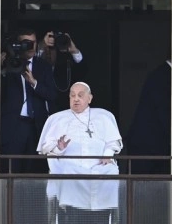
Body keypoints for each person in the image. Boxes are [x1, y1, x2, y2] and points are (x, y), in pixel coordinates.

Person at [37, 82, 123, 210]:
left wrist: (107, 155)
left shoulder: (103, 116)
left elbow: (113, 142)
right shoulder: (57, 119)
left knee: (111, 171)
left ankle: (104, 216)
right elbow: (45, 147)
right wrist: (59, 148)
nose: (76, 99)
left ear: (89, 98)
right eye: (72, 96)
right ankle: (70, 213)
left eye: (80, 95)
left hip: (99, 166)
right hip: (71, 168)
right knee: (66, 172)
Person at [0, 28, 57, 174]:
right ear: (18, 45)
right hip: (14, 124)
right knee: (11, 170)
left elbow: (52, 94)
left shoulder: (43, 66)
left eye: (33, 43)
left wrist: (34, 83)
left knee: (34, 171)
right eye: (26, 43)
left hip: (36, 125)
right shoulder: (8, 64)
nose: (31, 47)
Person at [127, 59, 172, 174]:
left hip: (152, 145)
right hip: (148, 146)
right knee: (142, 187)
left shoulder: (161, 74)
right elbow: (164, 112)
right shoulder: (162, 76)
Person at [38, 31, 87, 113]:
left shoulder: (64, 68)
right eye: (48, 49)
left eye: (53, 49)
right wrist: (42, 46)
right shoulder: (37, 64)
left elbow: (83, 70)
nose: (50, 53)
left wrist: (73, 50)